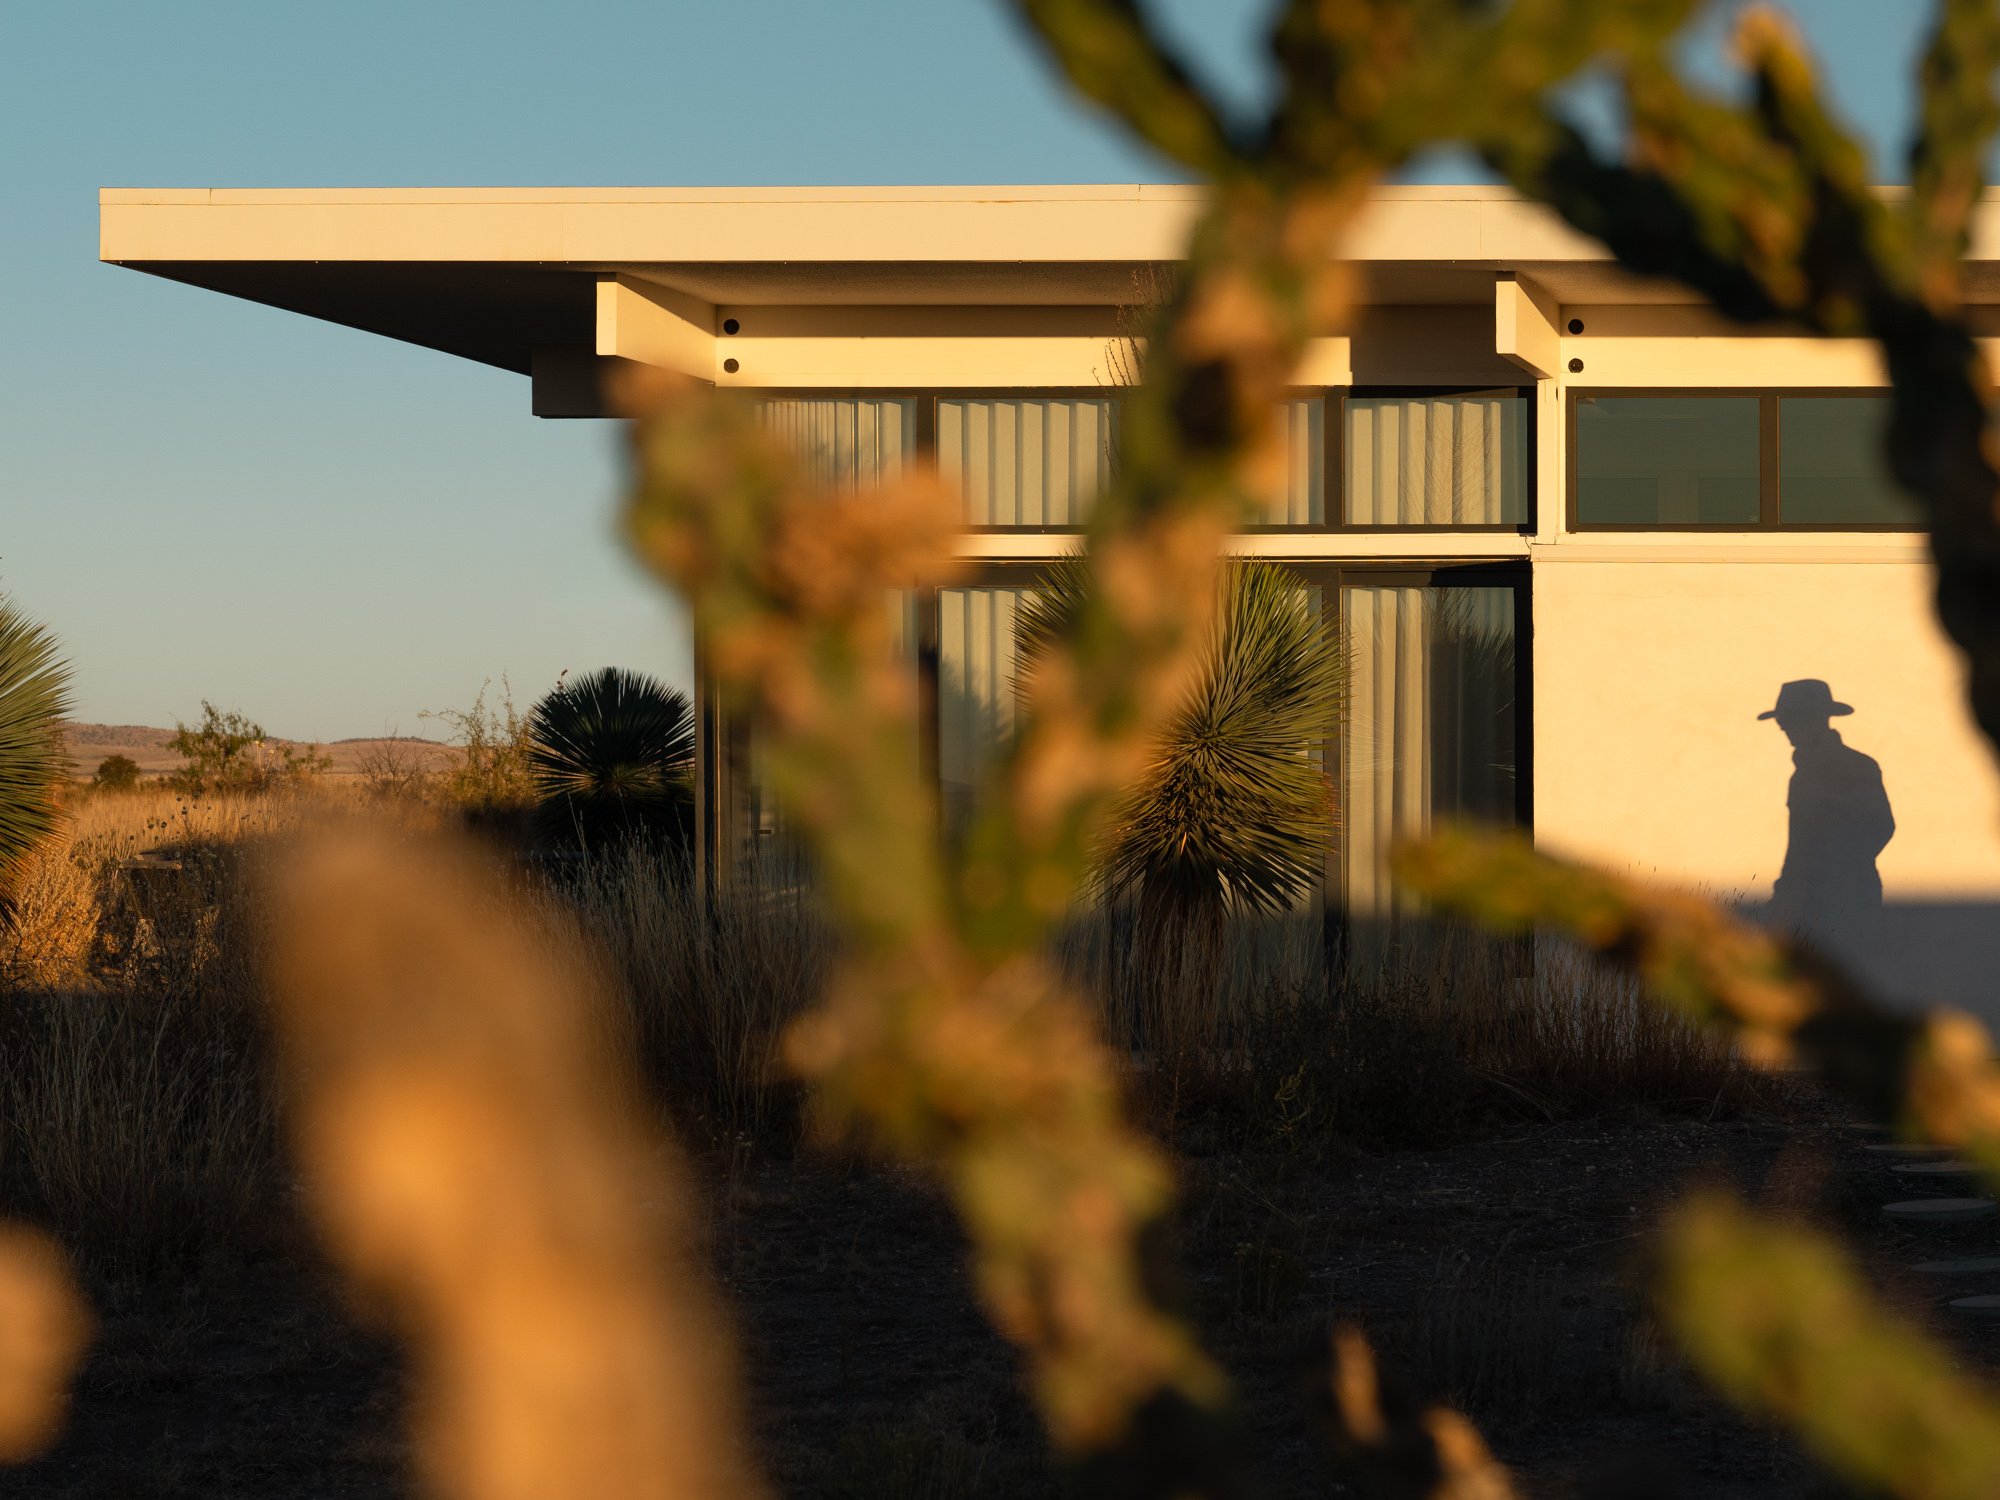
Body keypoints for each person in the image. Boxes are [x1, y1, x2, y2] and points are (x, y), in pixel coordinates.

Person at [1761, 679, 1894, 952]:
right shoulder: (1802, 774)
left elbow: (1881, 825)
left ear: (1816, 719)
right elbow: (1798, 843)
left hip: (1846, 898)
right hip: (1811, 898)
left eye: (1791, 719)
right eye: (1783, 721)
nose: (1784, 728)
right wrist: (1788, 890)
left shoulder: (1856, 767)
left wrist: (1833, 869)